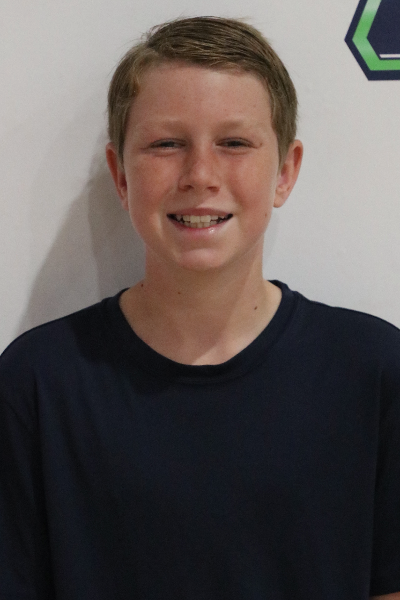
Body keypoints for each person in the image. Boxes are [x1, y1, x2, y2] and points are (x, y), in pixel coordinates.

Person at [0, 16, 399, 600]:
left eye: (234, 143)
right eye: (167, 144)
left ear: (286, 172)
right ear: (120, 175)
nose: (201, 175)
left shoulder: (375, 371)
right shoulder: (37, 383)